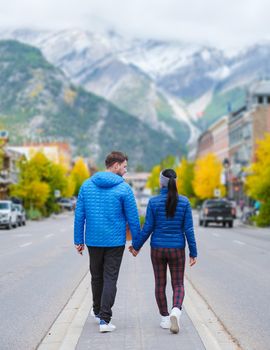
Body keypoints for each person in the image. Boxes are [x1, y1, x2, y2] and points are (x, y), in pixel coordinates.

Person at [74, 151, 140, 333]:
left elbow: (80, 216)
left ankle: (97, 311)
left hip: (93, 241)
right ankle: (105, 319)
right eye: (125, 166)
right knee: (110, 278)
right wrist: (137, 243)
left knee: (96, 277)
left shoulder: (86, 186)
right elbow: (133, 218)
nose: (126, 171)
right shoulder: (124, 188)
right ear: (116, 165)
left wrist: (78, 240)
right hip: (115, 241)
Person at [129, 169, 197, 334]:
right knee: (178, 283)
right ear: (176, 182)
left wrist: (136, 246)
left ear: (161, 183)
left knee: (160, 283)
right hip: (177, 249)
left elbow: (148, 228)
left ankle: (165, 318)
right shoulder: (184, 202)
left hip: (158, 249)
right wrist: (193, 252)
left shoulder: (153, 202)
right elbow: (188, 229)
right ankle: (176, 310)